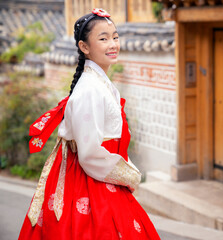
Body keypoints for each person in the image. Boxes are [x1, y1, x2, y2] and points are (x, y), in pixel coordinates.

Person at [19, 8, 160, 240]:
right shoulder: (90, 90)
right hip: (90, 177)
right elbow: (90, 154)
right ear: (85, 47)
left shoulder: (97, 83)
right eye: (103, 39)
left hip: (98, 172)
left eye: (115, 37)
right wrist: (130, 175)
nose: (113, 44)